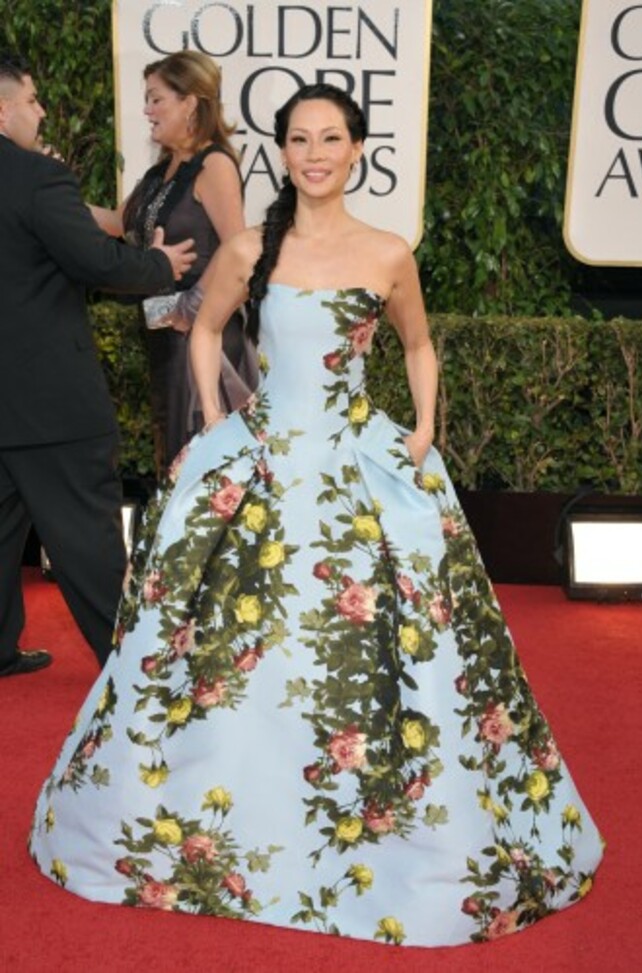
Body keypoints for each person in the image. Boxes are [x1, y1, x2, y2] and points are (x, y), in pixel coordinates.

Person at [30, 84, 603, 948]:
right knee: (218, 640)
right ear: (284, 152)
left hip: (360, 463)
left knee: (402, 643)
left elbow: (417, 344)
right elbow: (202, 329)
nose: (315, 153)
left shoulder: (387, 252)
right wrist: (218, 425)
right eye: (299, 139)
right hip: (262, 455)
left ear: (357, 148)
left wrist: (424, 430)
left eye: (331, 138)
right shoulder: (253, 246)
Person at [0, 52, 197, 677]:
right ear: (2, 108)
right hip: (49, 402)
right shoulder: (35, 178)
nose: (42, 111)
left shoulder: (37, 179)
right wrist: (164, 266)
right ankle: (141, 669)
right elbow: (99, 265)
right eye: (32, 99)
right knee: (89, 537)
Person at [90, 50, 255, 475]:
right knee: (174, 453)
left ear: (191, 102)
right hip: (167, 337)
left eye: (156, 98)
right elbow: (115, 223)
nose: (147, 110)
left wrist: (194, 310)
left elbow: (238, 250)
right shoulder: (160, 171)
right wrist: (50, 192)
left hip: (203, 337)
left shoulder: (214, 164)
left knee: (200, 458)